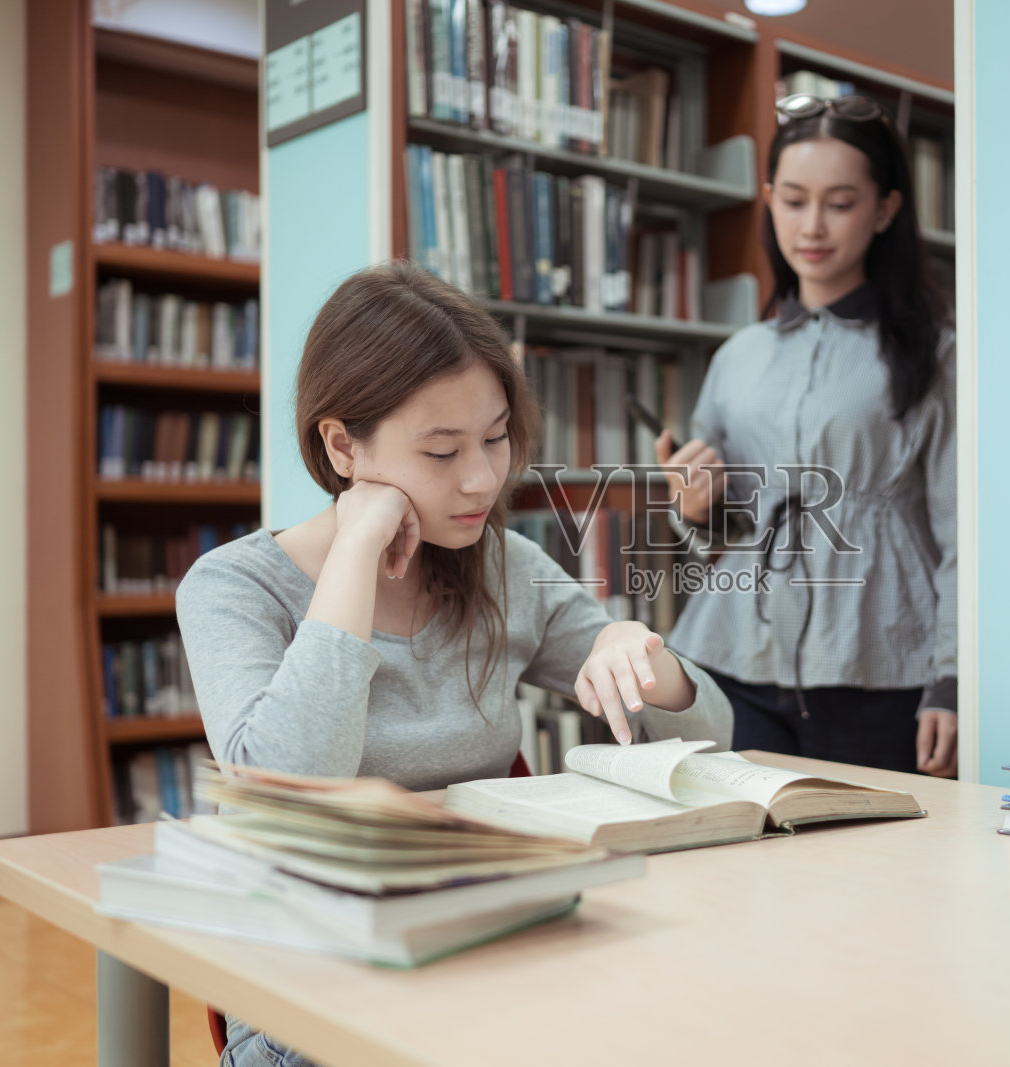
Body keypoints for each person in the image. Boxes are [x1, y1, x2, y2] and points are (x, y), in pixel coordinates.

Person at [175, 262, 732, 1067]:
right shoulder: (233, 587)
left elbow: (713, 730)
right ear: (341, 445)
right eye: (441, 451)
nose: (481, 479)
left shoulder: (507, 567)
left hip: (494, 950)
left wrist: (644, 656)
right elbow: (283, 788)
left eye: (496, 438)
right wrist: (358, 549)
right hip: (312, 979)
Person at [655, 93, 957, 778]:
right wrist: (695, 505)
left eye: (840, 202)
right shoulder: (738, 354)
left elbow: (959, 539)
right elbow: (716, 535)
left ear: (885, 208)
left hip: (879, 668)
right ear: (768, 200)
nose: (812, 226)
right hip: (734, 660)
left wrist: (952, 680)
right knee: (736, 866)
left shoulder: (936, 356)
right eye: (793, 200)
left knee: (868, 873)